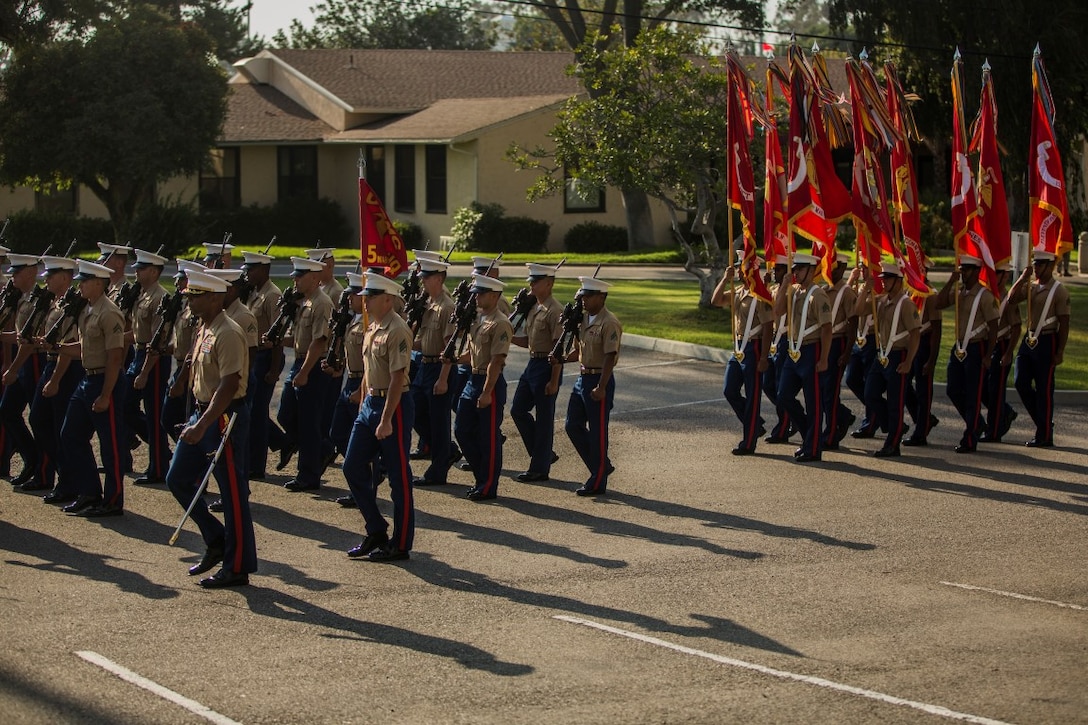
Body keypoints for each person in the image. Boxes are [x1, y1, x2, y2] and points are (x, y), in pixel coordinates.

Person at [165, 269, 255, 588]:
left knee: (232, 494)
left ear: (215, 298)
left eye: (196, 295)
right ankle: (216, 538)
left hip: (223, 419)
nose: (190, 300)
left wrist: (203, 425)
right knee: (176, 478)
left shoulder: (228, 331)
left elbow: (230, 383)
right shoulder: (204, 327)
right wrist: (194, 418)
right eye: (190, 295)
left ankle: (238, 565)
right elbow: (201, 378)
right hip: (204, 416)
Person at [342, 270, 415, 562]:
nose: (365, 301)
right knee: (351, 466)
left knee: (399, 478)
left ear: (387, 299)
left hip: (392, 408)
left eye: (370, 297)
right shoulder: (372, 326)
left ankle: (401, 543)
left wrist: (385, 420)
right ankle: (376, 529)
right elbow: (369, 369)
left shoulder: (398, 329)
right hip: (371, 404)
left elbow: (398, 378)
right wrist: (362, 399)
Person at [54, 260, 128, 517]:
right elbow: (86, 349)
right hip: (87, 379)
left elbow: (115, 357)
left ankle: (113, 500)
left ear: (99, 283)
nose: (80, 285)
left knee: (110, 445)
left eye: (84, 281)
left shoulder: (109, 312)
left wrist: (106, 394)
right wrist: (58, 348)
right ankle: (89, 492)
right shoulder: (88, 310)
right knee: (70, 435)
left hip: (103, 381)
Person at [273, 256, 335, 491]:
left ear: (314, 277)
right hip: (300, 363)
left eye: (300, 276)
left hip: (313, 367)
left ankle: (308, 476)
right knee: (286, 414)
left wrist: (305, 372)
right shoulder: (304, 302)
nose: (295, 280)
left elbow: (319, 342)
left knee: (309, 423)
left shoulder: (322, 303)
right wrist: (276, 340)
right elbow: (299, 339)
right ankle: (322, 449)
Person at [24, 255, 80, 494]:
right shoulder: (55, 303)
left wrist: (55, 379)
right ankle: (64, 474)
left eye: (51, 275)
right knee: (38, 419)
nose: (45, 279)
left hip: (63, 369)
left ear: (66, 278)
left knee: (59, 428)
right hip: (50, 364)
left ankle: (68, 482)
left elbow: (69, 346)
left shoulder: (73, 306)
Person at [454, 272, 512, 501]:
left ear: (495, 295)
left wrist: (487, 392)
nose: (476, 297)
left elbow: (497, 360)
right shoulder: (477, 320)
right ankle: (481, 477)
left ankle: (488, 485)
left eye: (482, 293)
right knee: (461, 429)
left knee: (488, 437)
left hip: (491, 382)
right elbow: (474, 354)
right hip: (473, 379)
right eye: (476, 293)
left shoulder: (501, 323)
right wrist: (455, 359)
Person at [562, 276, 622, 494]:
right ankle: (601, 466)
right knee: (571, 425)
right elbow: (579, 351)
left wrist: (602, 386)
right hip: (582, 378)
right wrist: (561, 358)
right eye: (582, 296)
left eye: (588, 296)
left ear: (602, 297)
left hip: (599, 379)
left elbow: (609, 356)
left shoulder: (609, 322)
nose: (584, 300)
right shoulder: (584, 320)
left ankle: (597, 481)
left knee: (597, 432)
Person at [933, 255, 998, 453]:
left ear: (977, 271)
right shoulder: (960, 293)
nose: (964, 273)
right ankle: (977, 422)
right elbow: (938, 303)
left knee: (973, 395)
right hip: (960, 347)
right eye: (962, 269)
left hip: (976, 347)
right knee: (953, 389)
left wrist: (988, 356)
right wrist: (951, 281)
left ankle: (970, 438)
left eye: (968, 270)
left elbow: (994, 327)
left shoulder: (985, 296)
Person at [773, 252, 832, 463]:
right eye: (794, 269)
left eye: (799, 269)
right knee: (783, 395)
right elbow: (777, 311)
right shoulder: (794, 291)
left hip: (811, 350)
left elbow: (827, 329)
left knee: (813, 402)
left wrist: (824, 358)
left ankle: (813, 448)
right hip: (793, 351)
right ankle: (810, 435)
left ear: (810, 270)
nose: (795, 272)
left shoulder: (819, 295)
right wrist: (784, 286)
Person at [711, 254, 772, 455]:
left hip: (754, 347)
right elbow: (716, 301)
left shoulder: (760, 295)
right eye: (737, 268)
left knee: (753, 396)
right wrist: (724, 279)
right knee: (730, 390)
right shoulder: (739, 291)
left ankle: (749, 441)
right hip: (738, 347)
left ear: (750, 270)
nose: (738, 271)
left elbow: (767, 327)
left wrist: (764, 357)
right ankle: (755, 424)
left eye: (740, 268)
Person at [1009, 249, 1071, 447]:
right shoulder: (1031, 287)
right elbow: (1011, 300)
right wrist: (1022, 278)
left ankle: (1044, 435)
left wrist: (1060, 351)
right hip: (1029, 340)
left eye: (1039, 265)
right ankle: (1044, 424)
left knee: (1044, 389)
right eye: (1034, 265)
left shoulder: (1059, 290)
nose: (1036, 269)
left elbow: (1064, 322)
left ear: (1050, 266)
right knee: (1020, 382)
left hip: (1047, 339)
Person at [858, 262, 920, 457]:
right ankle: (896, 427)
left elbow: (915, 333)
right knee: (870, 394)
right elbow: (858, 310)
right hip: (882, 355)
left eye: (888, 279)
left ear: (898, 282)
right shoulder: (881, 301)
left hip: (898, 354)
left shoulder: (906, 304)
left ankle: (893, 444)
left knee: (895, 401)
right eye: (882, 279)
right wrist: (865, 290)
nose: (883, 283)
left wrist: (909, 361)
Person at [510, 262, 564, 479]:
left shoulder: (555, 311)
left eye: (536, 281)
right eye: (530, 281)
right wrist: (506, 336)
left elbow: (558, 349)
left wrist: (554, 380)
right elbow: (529, 341)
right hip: (533, 363)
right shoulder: (534, 308)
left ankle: (539, 468)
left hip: (547, 366)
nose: (531, 285)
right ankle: (542, 454)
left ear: (549, 284)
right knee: (518, 410)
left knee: (543, 418)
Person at [409, 258, 460, 487]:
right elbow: (420, 341)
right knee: (415, 410)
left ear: (439, 279)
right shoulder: (428, 304)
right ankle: (446, 450)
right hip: (424, 365)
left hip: (441, 367)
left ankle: (438, 471)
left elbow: (449, 345)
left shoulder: (447, 306)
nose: (423, 282)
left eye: (426, 278)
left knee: (439, 421)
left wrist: (443, 378)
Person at [124, 248, 171, 486]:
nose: (136, 272)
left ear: (153, 271)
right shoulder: (142, 295)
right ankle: (162, 454)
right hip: (140, 354)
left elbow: (158, 340)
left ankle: (159, 468)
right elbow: (136, 332)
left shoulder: (160, 297)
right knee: (124, 404)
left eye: (141, 269)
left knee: (154, 415)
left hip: (153, 358)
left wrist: (144, 372)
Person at [0, 253, 45, 485]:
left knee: (39, 418)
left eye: (16, 272)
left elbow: (28, 342)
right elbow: (18, 337)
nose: (12, 277)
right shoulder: (21, 298)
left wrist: (13, 368)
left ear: (29, 273)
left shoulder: (39, 301)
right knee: (7, 410)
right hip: (24, 359)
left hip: (34, 360)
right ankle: (32, 458)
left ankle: (43, 471)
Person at [324, 271, 368, 508]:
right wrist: (338, 367)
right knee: (338, 433)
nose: (349, 298)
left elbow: (371, 362)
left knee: (358, 440)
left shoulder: (369, 323)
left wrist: (361, 390)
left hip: (362, 383)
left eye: (353, 294)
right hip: (349, 380)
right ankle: (367, 476)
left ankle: (363, 485)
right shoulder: (353, 319)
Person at [240, 250, 283, 479]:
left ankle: (256, 466)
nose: (248, 273)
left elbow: (276, 334)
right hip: (253, 355)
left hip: (266, 357)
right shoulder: (253, 292)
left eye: (252, 269)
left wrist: (275, 369)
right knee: (251, 411)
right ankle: (281, 443)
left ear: (264, 270)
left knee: (257, 413)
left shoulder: (272, 295)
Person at [821, 253, 859, 450]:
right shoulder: (823, 290)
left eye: (835, 267)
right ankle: (843, 416)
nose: (831, 270)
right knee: (823, 390)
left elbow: (853, 324)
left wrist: (847, 352)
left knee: (830, 390)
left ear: (843, 268)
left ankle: (832, 433)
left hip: (839, 343)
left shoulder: (847, 293)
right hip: (824, 342)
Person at [903, 260, 942, 447]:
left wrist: (932, 359)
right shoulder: (910, 292)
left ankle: (921, 431)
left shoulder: (931, 295)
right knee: (903, 384)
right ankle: (924, 419)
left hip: (925, 343)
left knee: (923, 390)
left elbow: (936, 329)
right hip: (911, 342)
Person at [980, 261, 1020, 443]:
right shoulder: (987, 295)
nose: (993, 277)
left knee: (996, 390)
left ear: (1005, 276)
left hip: (1003, 345)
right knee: (983, 389)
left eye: (997, 273)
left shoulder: (1008, 299)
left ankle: (994, 431)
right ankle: (1005, 412)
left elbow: (1017, 327)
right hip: (989, 345)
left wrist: (1009, 352)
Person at [762, 262, 794, 445]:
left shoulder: (793, 291)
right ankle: (791, 418)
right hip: (774, 340)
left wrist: (785, 286)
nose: (775, 272)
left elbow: (778, 310)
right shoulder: (775, 288)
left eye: (779, 269)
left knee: (782, 388)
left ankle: (783, 427)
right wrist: (765, 286)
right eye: (774, 269)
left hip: (787, 341)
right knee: (768, 385)